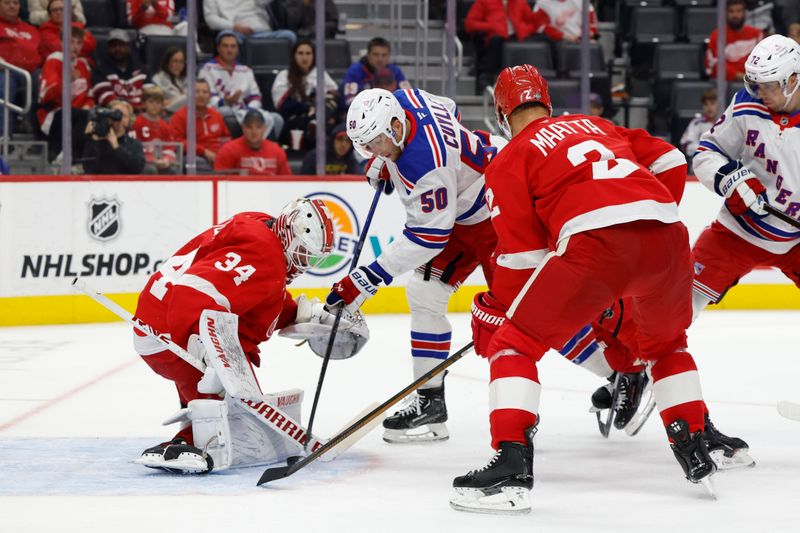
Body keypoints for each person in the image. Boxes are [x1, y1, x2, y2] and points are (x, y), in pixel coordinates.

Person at [451, 64, 717, 514]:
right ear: (546, 102)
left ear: (501, 112)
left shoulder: (510, 158)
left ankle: (511, 463)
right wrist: (640, 223)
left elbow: (520, 259)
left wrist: (501, 310)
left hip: (597, 246)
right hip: (669, 235)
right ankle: (694, 445)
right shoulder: (596, 123)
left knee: (514, 343)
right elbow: (672, 159)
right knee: (666, 344)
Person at [327, 87, 505, 444]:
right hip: (466, 209)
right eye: (367, 146)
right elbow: (451, 106)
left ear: (395, 125)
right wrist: (383, 160)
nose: (374, 151)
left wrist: (366, 279)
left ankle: (617, 371)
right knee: (424, 293)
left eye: (377, 142)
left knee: (530, 312)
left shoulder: (426, 165)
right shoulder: (405, 98)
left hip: (501, 211)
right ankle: (430, 402)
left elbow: (428, 238)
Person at [132, 199, 362, 473]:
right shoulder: (264, 253)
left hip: (159, 321)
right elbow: (192, 293)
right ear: (289, 233)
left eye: (310, 257)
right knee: (240, 418)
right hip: (172, 330)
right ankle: (192, 442)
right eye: (302, 251)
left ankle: (194, 428)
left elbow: (248, 296)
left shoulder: (260, 228)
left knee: (239, 406)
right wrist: (214, 354)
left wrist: (303, 314)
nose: (303, 263)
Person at [692, 35, 800, 322]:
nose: (759, 92)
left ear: (792, 80)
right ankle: (641, 365)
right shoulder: (746, 105)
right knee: (677, 304)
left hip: (796, 238)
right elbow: (706, 154)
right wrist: (732, 180)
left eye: (768, 85)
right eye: (755, 84)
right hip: (736, 231)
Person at [199, 31, 282, 138]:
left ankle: (266, 150)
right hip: (220, 109)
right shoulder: (208, 68)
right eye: (225, 46)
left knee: (276, 118)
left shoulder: (245, 70)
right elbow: (205, 97)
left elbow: (255, 97)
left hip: (244, 110)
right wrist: (225, 101)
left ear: (238, 49)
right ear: (218, 48)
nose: (229, 50)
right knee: (226, 111)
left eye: (233, 46)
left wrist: (249, 109)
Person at [37, 25, 93, 162]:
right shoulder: (54, 60)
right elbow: (46, 95)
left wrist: (88, 105)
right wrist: (67, 80)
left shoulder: (83, 64)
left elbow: (89, 96)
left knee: (90, 115)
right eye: (71, 42)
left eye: (79, 42)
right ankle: (66, 157)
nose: (75, 46)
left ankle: (77, 159)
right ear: (62, 43)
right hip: (55, 115)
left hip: (79, 116)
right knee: (81, 115)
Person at [271, 39, 339, 151]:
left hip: (320, 115)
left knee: (331, 108)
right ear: (294, 56)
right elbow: (282, 105)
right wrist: (307, 107)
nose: (304, 57)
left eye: (308, 53)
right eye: (300, 53)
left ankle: (316, 123)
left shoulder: (319, 73)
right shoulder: (284, 76)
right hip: (295, 120)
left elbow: (334, 95)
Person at [465, 0, 546, 94]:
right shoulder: (484, 1)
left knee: (540, 42)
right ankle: (487, 81)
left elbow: (532, 22)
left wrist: (524, 30)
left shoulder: (520, 2)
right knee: (496, 42)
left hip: (515, 38)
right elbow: (470, 24)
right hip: (493, 38)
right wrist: (490, 27)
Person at [0, 0, 41, 137]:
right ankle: (4, 138)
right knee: (4, 85)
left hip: (29, 72)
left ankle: (37, 133)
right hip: (4, 70)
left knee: (43, 82)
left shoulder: (31, 29)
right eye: (7, 3)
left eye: (15, 3)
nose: (12, 6)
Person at [169, 79, 230, 169]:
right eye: (197, 92)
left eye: (205, 92)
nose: (201, 95)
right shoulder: (179, 116)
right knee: (197, 163)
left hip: (218, 154)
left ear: (209, 96)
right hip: (197, 156)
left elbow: (227, 138)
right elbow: (178, 141)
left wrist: (223, 152)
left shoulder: (216, 115)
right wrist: (204, 151)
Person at [214, 109, 291, 175]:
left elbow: (287, 183)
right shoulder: (228, 150)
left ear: (264, 128)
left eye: (258, 127)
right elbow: (219, 182)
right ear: (243, 128)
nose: (254, 132)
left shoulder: (277, 152)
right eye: (249, 127)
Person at [340, 37, 411, 108]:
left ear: (388, 56)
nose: (380, 59)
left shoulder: (395, 71)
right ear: (368, 55)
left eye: (384, 55)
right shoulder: (355, 71)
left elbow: (408, 97)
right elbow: (350, 101)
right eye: (375, 54)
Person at [82, 99, 146, 175]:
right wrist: (91, 140)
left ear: (129, 121)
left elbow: (137, 168)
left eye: (123, 115)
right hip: (100, 184)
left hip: (124, 184)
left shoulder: (133, 144)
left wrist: (116, 147)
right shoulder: (98, 139)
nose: (118, 117)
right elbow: (88, 169)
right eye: (114, 113)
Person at [90, 29, 149, 111]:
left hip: (143, 114)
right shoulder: (100, 70)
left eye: (121, 45)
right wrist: (131, 108)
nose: (117, 49)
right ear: (108, 48)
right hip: (115, 114)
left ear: (128, 47)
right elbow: (105, 97)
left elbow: (151, 93)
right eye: (113, 46)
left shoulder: (141, 68)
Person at [706, 0, 763, 82]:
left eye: (739, 11)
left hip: (753, 82)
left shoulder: (757, 35)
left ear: (744, 13)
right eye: (731, 11)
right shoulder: (716, 36)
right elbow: (713, 65)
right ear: (725, 13)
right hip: (725, 84)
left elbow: (762, 63)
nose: (735, 15)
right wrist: (739, 75)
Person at [203, 0, 296, 44]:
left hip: (263, 32)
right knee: (226, 39)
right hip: (235, 33)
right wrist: (234, 27)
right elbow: (211, 19)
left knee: (289, 36)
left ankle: (284, 74)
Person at [133, 85, 177, 173]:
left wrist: (166, 159)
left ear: (162, 105)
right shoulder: (137, 122)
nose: (154, 106)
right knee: (151, 170)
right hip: (143, 161)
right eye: (151, 102)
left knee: (171, 170)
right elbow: (134, 147)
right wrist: (151, 159)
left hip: (161, 160)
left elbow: (170, 147)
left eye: (158, 103)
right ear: (144, 103)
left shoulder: (165, 125)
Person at [37, 0, 95, 64]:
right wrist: (79, 45)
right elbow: (61, 48)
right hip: (57, 64)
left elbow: (91, 45)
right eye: (54, 10)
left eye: (61, 9)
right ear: (49, 15)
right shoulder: (45, 30)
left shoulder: (78, 25)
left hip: (81, 63)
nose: (58, 12)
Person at [532, 0, 599, 43]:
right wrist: (564, 36)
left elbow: (591, 25)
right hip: (556, 42)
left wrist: (586, 37)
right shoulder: (542, 3)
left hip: (581, 41)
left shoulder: (582, 2)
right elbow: (541, 27)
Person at [680, 88, 717, 158]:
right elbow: (686, 146)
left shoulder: (726, 123)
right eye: (706, 104)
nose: (709, 107)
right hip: (701, 161)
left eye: (712, 103)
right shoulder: (696, 123)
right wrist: (708, 150)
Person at [151, 46, 187, 113]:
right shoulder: (158, 79)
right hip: (167, 113)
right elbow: (155, 103)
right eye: (175, 61)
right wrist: (179, 99)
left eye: (181, 62)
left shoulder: (183, 79)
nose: (178, 65)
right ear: (167, 62)